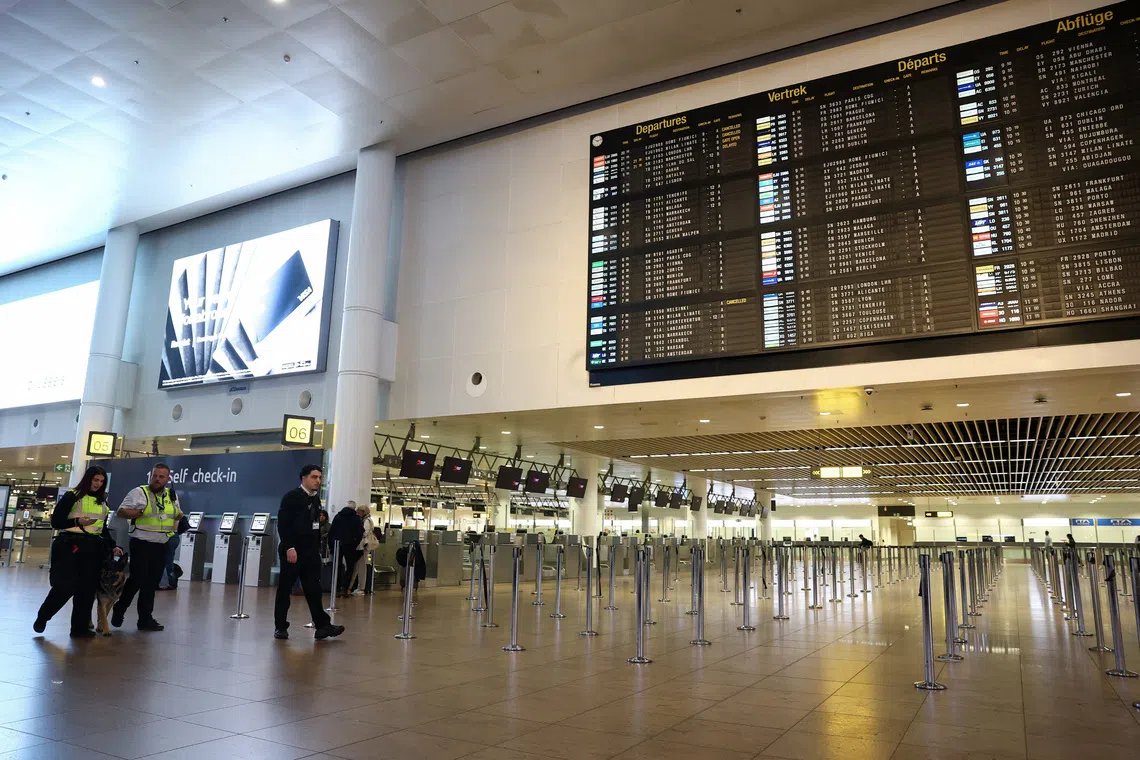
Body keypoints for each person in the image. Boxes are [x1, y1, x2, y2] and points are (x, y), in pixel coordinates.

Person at [34, 466, 121, 638]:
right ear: (88, 479)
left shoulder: (102, 501)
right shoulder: (72, 496)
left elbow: (101, 527)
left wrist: (112, 546)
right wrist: (77, 521)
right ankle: (43, 617)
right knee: (64, 587)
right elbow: (57, 522)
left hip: (93, 547)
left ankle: (79, 628)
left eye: (101, 481)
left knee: (86, 590)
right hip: (70, 546)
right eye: (95, 480)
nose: (98, 484)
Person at [275, 464, 344, 640]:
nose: (317, 481)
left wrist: (317, 552)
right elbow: (283, 524)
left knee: (314, 589)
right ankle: (280, 627)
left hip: (310, 553)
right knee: (285, 589)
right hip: (292, 551)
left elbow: (314, 527)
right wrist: (289, 547)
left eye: (319, 477)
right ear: (304, 478)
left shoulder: (315, 499)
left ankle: (322, 626)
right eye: (314, 477)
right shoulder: (291, 497)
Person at [111, 463, 183, 631]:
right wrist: (139, 513)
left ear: (167, 478)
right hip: (141, 542)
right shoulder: (139, 492)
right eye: (155, 476)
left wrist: (177, 522)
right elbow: (121, 512)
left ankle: (145, 619)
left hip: (161, 543)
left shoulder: (171, 495)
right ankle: (119, 609)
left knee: (151, 583)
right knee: (137, 580)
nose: (157, 479)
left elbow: (177, 513)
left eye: (161, 477)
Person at [329, 502, 364, 597]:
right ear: (354, 508)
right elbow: (360, 532)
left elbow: (331, 532)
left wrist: (331, 546)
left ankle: (336, 588)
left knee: (337, 567)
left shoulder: (338, 516)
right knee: (350, 567)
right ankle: (344, 589)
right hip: (350, 545)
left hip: (337, 544)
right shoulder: (356, 518)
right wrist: (355, 543)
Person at [349, 504, 379, 595]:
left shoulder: (366, 521)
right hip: (363, 545)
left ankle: (361, 587)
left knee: (361, 566)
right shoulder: (365, 520)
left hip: (364, 546)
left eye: (360, 511)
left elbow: (365, 532)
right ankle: (357, 587)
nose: (358, 513)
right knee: (360, 566)